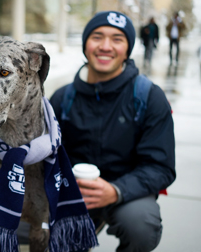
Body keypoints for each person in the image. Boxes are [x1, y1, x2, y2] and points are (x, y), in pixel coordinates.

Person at [49, 11, 175, 252]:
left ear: (127, 49)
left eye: (117, 39)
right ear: (85, 45)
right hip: (73, 191)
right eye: (97, 37)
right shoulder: (63, 97)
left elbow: (161, 167)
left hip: (127, 191)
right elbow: (47, 155)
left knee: (141, 225)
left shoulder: (149, 96)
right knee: (25, 225)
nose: (106, 46)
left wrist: (117, 191)